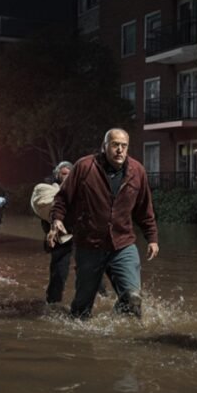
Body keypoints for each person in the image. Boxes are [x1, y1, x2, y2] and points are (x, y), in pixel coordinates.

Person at [48, 128, 159, 319]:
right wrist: (57, 220)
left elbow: (144, 209)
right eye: (115, 145)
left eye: (124, 146)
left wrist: (152, 238)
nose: (120, 150)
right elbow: (62, 199)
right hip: (89, 245)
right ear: (104, 146)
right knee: (81, 310)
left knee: (133, 298)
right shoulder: (85, 167)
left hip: (123, 244)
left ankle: (118, 328)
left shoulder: (137, 171)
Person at [32, 161, 74, 303]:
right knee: (59, 273)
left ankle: (100, 300)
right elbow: (45, 204)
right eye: (64, 174)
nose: (67, 177)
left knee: (91, 271)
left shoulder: (79, 188)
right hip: (59, 239)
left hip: (80, 237)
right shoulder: (46, 189)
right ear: (57, 175)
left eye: (70, 174)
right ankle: (53, 303)